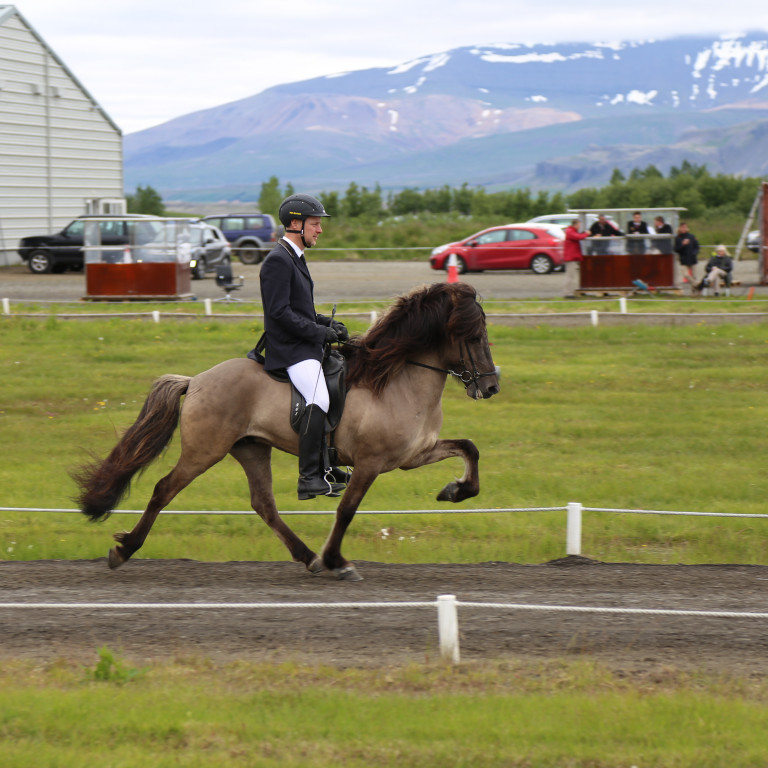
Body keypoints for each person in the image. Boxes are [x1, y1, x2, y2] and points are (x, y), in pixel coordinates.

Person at [259, 193, 350, 500]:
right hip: (289, 350)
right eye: (314, 224)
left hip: (303, 343)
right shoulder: (277, 261)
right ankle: (309, 477)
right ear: (295, 224)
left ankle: (328, 464)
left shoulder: (295, 257)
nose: (319, 230)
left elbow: (301, 310)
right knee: (318, 398)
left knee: (340, 380)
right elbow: (279, 314)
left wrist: (326, 324)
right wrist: (317, 333)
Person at [563, 218, 594, 297]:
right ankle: (567, 293)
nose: (580, 226)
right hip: (571, 258)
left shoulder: (572, 231)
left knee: (576, 276)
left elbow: (578, 236)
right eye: (579, 225)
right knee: (570, 276)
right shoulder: (570, 231)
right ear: (575, 224)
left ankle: (577, 290)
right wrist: (587, 234)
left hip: (575, 257)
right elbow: (578, 237)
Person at [674, 221, 700, 288]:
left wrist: (694, 253)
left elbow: (697, 246)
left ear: (687, 228)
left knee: (694, 276)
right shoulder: (678, 238)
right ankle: (696, 284)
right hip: (683, 260)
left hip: (692, 259)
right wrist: (683, 244)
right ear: (679, 228)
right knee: (686, 274)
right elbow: (676, 249)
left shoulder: (691, 236)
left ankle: (695, 292)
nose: (683, 229)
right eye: (682, 227)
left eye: (685, 227)